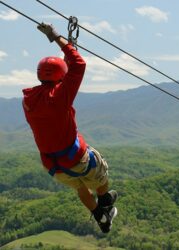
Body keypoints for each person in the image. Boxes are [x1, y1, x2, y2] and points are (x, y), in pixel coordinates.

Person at [22, 23, 117, 233]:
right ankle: (105, 205)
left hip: (52, 165)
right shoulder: (59, 97)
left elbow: (57, 83)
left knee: (80, 187)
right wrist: (55, 36)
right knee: (102, 176)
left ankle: (101, 217)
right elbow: (78, 65)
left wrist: (64, 62)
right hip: (76, 158)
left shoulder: (29, 100)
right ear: (60, 78)